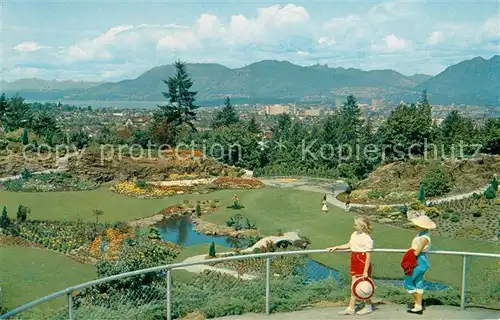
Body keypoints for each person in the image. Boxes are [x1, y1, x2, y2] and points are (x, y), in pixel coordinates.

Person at [328, 215, 375, 315]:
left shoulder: (367, 239)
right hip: (354, 260)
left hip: (362, 263)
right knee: (357, 285)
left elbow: (368, 257)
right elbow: (349, 245)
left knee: (360, 285)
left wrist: (365, 271)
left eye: (356, 225)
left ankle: (356, 307)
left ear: (362, 226)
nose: (354, 226)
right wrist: (336, 247)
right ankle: (360, 307)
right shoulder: (354, 234)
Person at [404, 215, 436, 315]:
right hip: (421, 261)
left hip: (418, 261)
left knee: (408, 282)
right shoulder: (421, 234)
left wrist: (407, 254)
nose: (415, 226)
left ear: (423, 226)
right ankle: (418, 306)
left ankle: (418, 303)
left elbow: (417, 252)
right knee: (418, 282)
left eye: (417, 224)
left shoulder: (424, 238)